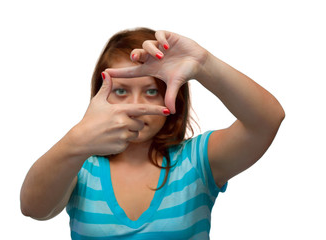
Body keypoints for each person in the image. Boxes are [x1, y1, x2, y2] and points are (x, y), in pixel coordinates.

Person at [20, 28, 285, 239]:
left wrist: (203, 64)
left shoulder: (197, 160)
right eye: (121, 91)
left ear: (173, 99)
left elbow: (267, 120)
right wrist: (76, 140)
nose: (136, 107)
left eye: (151, 91)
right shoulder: (80, 165)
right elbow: (33, 208)